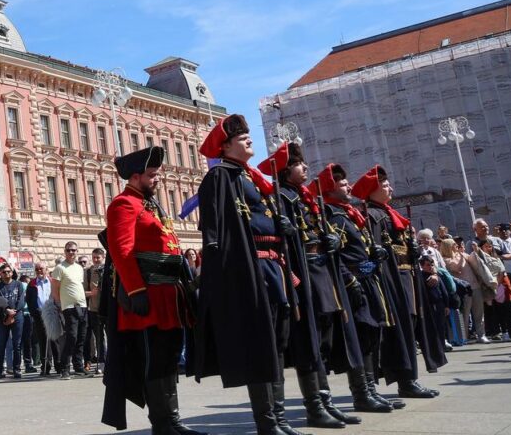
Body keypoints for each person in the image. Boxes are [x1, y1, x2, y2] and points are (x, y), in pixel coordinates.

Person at [195, 114, 293, 435]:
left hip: (272, 267)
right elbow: (215, 231)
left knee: (277, 343)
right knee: (259, 345)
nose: (250, 139)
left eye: (250, 135)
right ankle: (267, 423)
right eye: (242, 137)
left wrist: (282, 227)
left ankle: (279, 417)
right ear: (225, 146)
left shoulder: (252, 178)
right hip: (250, 270)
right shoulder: (219, 178)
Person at [101, 145, 203, 435]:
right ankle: (161, 424)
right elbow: (121, 250)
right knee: (155, 361)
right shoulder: (123, 204)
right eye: (151, 174)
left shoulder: (150, 206)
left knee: (169, 358)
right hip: (146, 296)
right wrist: (135, 291)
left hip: (168, 296)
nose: (157, 178)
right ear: (135, 177)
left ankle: (172, 420)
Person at [261, 143, 359, 429]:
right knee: (308, 341)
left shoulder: (304, 197)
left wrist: (331, 242)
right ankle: (314, 406)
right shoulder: (281, 197)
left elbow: (317, 229)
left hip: (320, 271)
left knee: (323, 341)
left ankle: (325, 401)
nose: (305, 168)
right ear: (285, 168)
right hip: (303, 275)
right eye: (298, 164)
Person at [318, 163, 401, 414]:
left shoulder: (349, 214)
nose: (349, 187)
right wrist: (351, 279)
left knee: (371, 336)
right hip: (355, 282)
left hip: (367, 278)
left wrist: (374, 256)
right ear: (331, 190)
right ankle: (361, 394)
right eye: (343, 184)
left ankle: (371, 391)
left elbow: (360, 250)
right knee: (361, 338)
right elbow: (338, 257)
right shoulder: (333, 215)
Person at [354, 165, 444, 394]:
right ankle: (406, 380)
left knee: (411, 328)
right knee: (400, 331)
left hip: (407, 278)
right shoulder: (372, 215)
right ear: (373, 190)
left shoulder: (390, 213)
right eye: (384, 185)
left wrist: (413, 250)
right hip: (392, 280)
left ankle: (410, 379)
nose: (390, 188)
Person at [51, 241, 88, 378]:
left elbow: (78, 286)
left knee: (81, 337)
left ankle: (78, 366)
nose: (71, 253)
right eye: (69, 250)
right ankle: (64, 368)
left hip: (82, 305)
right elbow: (55, 288)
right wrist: (59, 304)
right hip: (69, 307)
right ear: (65, 251)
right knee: (71, 337)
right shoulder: (60, 268)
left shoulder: (79, 268)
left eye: (74, 250)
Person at [0, 262, 26, 380]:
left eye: (8, 271)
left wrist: (13, 313)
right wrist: (7, 311)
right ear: (1, 274)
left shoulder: (18, 284)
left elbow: (21, 300)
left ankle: (16, 369)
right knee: (0, 345)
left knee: (16, 344)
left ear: (12, 272)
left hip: (17, 316)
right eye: (3, 272)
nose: (6, 273)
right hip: (2, 318)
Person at [83, 248, 106, 376]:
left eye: (98, 257)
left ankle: (106, 362)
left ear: (103, 257)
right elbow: (83, 292)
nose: (96, 260)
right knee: (98, 338)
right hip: (93, 309)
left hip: (107, 309)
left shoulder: (108, 269)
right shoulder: (88, 272)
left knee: (107, 337)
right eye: (94, 257)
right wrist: (91, 293)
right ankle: (100, 362)